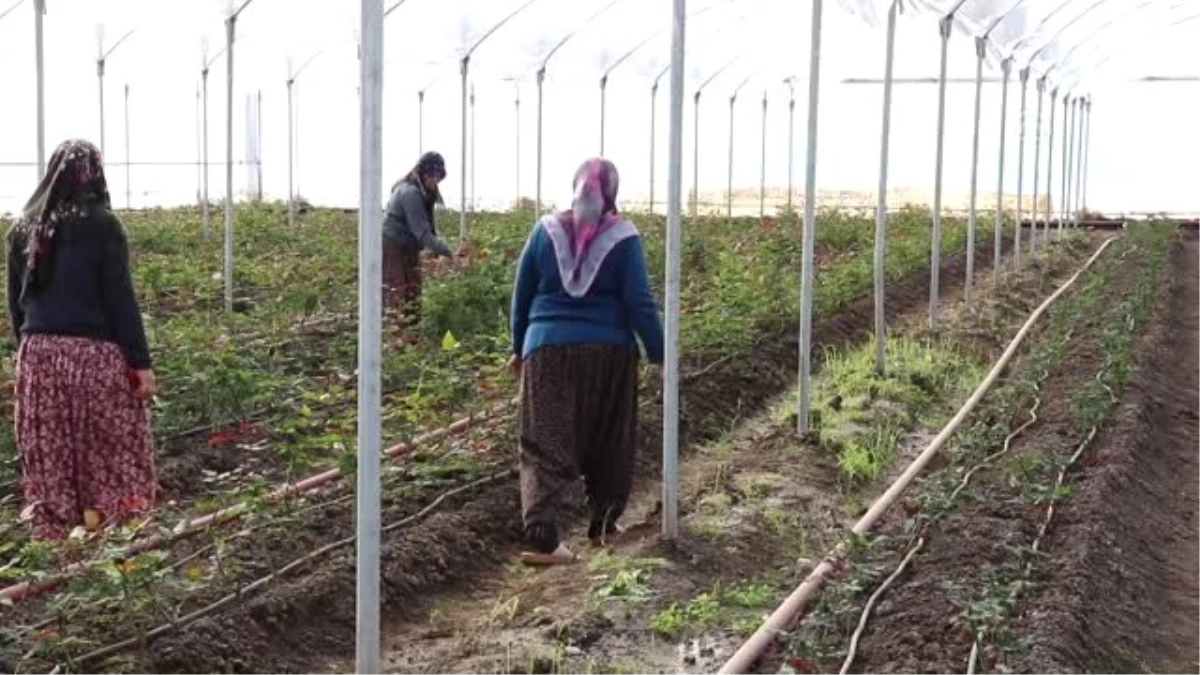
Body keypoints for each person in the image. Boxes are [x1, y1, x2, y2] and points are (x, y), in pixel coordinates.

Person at [509, 158, 664, 565]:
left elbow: (522, 295)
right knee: (611, 435)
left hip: (547, 349)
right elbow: (639, 302)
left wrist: (518, 347)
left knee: (545, 437)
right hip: (609, 353)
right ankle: (604, 521)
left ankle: (543, 535)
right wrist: (659, 351)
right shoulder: (624, 237)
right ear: (612, 193)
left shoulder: (544, 232)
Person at [6, 139, 158, 539]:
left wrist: (26, 352)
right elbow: (120, 299)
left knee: (51, 448)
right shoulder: (102, 225)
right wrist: (141, 363)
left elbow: (16, 307)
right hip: (94, 355)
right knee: (109, 442)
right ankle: (116, 521)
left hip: (39, 354)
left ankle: (56, 527)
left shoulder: (23, 227)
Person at [383, 151, 454, 328]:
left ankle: (412, 332)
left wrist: (437, 249)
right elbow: (423, 233)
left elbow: (429, 227)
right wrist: (450, 252)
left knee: (414, 289)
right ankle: (396, 334)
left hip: (409, 244)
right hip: (393, 243)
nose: (435, 179)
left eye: (439, 175)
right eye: (431, 174)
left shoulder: (425, 192)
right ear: (422, 173)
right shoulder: (410, 193)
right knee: (397, 288)